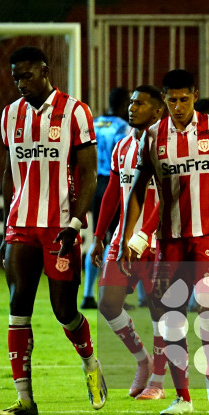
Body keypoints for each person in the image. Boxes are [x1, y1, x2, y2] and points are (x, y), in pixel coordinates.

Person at [0, 46, 106, 415]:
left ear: (44, 71)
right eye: (16, 78)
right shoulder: (10, 115)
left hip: (60, 227)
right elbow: (9, 172)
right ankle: (25, 399)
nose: (21, 83)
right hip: (21, 226)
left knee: (64, 311)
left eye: (27, 75)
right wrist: (5, 226)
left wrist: (76, 223)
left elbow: (88, 171)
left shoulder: (76, 111)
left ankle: (90, 363)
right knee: (17, 307)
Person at [119, 69, 209, 415]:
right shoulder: (153, 136)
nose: (178, 106)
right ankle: (183, 397)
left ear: (195, 96)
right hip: (169, 239)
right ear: (165, 99)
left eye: (184, 99)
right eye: (172, 100)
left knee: (207, 309)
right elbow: (138, 190)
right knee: (169, 317)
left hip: (207, 235)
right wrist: (132, 236)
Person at [91, 85, 166, 400]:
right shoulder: (122, 146)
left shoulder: (166, 147)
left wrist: (145, 234)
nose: (133, 108)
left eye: (142, 103)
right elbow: (111, 192)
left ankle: (159, 383)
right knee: (108, 303)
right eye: (132, 103)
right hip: (123, 239)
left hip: (159, 240)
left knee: (161, 310)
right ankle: (143, 361)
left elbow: (168, 199)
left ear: (158, 111)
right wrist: (98, 236)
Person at [82, 87, 130, 310]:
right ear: (123, 104)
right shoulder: (123, 127)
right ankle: (114, 295)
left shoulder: (95, 122)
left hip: (95, 185)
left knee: (97, 239)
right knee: (118, 240)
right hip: (114, 183)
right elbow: (123, 158)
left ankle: (87, 294)